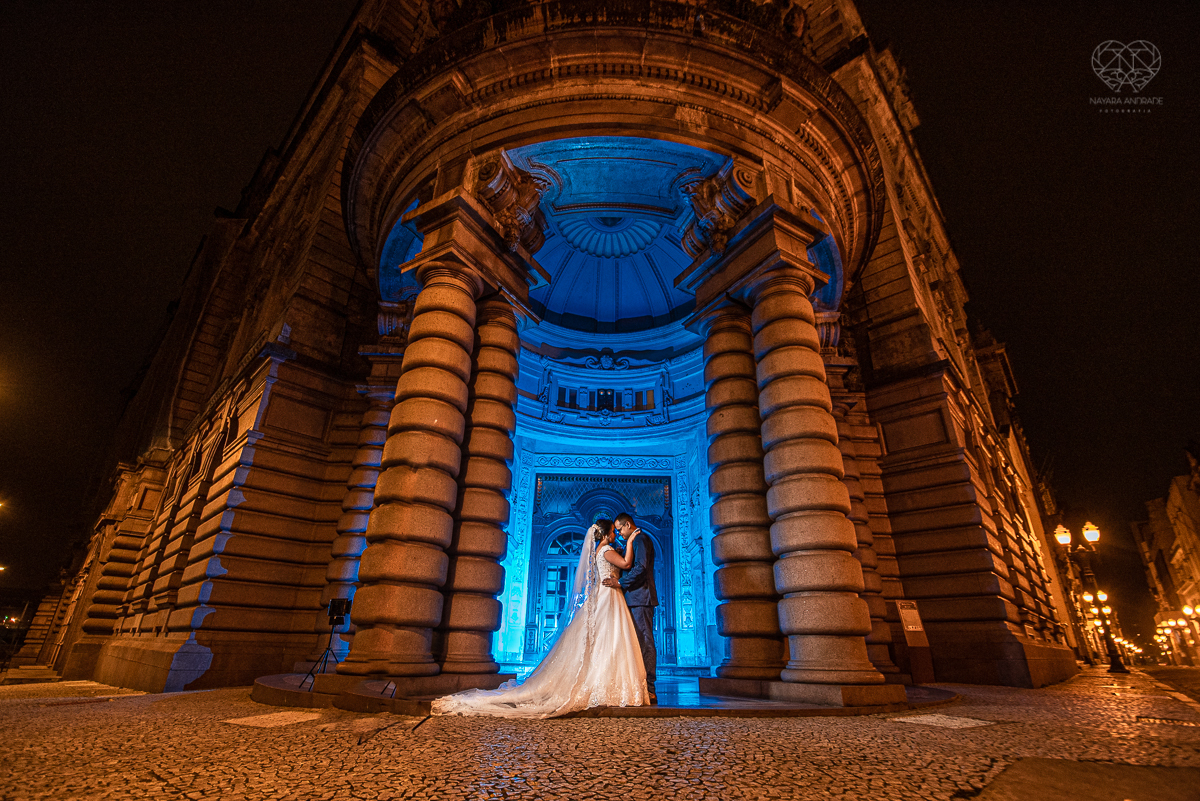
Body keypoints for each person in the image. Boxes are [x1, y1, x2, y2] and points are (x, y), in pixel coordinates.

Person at [431, 518, 648, 718]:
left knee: (606, 640)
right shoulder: (607, 550)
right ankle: (608, 685)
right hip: (608, 596)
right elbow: (627, 564)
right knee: (611, 639)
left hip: (607, 596)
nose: (616, 534)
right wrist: (631, 542)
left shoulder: (600, 551)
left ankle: (606, 683)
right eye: (613, 531)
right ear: (606, 534)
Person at [601, 512, 658, 704]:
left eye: (620, 529)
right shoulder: (633, 541)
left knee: (645, 642)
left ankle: (650, 688)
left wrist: (621, 582)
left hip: (641, 598)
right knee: (636, 644)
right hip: (634, 599)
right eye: (615, 531)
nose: (620, 533)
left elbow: (640, 567)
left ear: (627, 525)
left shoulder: (641, 539)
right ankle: (639, 687)